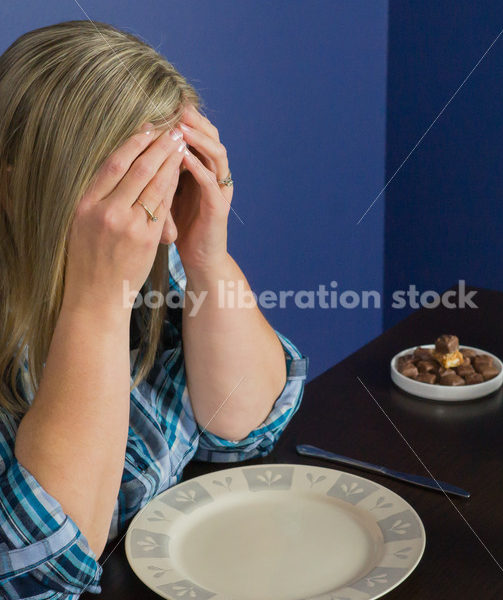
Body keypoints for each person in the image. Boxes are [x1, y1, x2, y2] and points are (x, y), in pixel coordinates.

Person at [0, 20, 307, 599]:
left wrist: (206, 252)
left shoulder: (162, 259)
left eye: (170, 188)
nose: (161, 229)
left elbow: (244, 425)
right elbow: (45, 567)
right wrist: (97, 305)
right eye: (129, 197)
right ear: (16, 189)